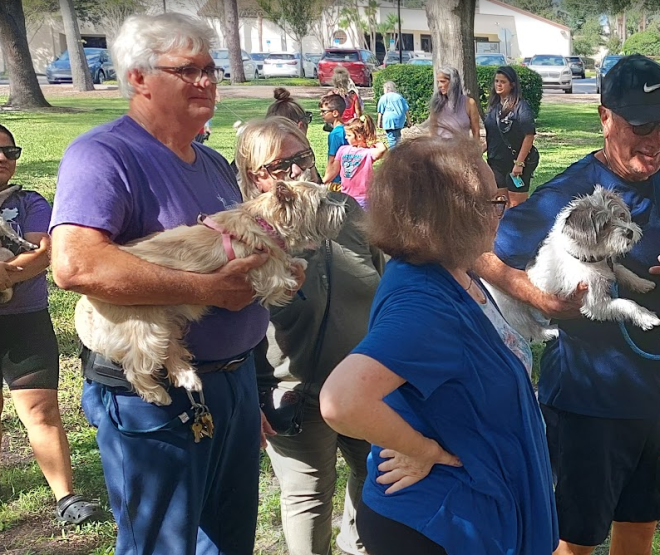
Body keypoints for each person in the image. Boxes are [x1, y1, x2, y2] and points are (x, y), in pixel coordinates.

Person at [48, 13, 292, 554]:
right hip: (153, 393)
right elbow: (76, 267)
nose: (206, 82)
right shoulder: (104, 155)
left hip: (229, 384)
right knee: (164, 545)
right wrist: (205, 291)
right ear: (138, 78)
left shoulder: (211, 162)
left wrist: (246, 390)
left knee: (227, 542)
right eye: (188, 70)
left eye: (211, 69)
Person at [475, 54, 660, 555]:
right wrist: (542, 299)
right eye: (642, 126)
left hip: (654, 396)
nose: (657, 141)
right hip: (587, 405)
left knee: (640, 528)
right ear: (605, 118)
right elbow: (481, 254)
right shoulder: (569, 194)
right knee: (573, 542)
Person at [319, 135, 557, 555]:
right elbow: (342, 400)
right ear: (452, 215)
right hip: (437, 526)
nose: (501, 212)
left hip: (468, 513)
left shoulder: (450, 269)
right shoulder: (425, 304)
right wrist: (422, 449)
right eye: (494, 201)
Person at [235, 117, 382, 555]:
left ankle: (357, 546)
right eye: (281, 166)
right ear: (255, 177)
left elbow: (386, 285)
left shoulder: (346, 211)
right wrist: (250, 395)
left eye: (302, 157)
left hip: (365, 386)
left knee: (376, 477)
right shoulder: (245, 236)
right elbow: (226, 327)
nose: (298, 170)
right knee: (308, 495)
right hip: (294, 394)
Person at [0, 124, 103, 526]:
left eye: (11, 151)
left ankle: (66, 498)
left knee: (41, 411)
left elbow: (43, 254)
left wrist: (3, 275)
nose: (4, 158)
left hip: (26, 321)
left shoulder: (30, 201)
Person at [484, 66, 539, 208]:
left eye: (503, 82)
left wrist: (519, 163)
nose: (498, 85)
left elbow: (529, 136)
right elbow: (492, 135)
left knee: (516, 205)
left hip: (516, 161)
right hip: (496, 161)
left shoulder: (521, 107)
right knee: (499, 203)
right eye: (496, 81)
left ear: (512, 84)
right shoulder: (493, 107)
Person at [332, 115, 388, 208]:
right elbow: (334, 169)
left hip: (363, 197)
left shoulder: (368, 153)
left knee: (362, 217)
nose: (346, 137)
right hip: (345, 195)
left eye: (349, 135)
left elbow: (382, 149)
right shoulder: (342, 149)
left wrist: (373, 140)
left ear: (359, 136)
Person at [427, 67, 481, 140]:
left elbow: (476, 132)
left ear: (453, 82)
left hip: (462, 146)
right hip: (441, 146)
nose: (439, 85)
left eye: (442, 81)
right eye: (438, 82)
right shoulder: (436, 104)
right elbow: (432, 133)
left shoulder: (469, 103)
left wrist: (475, 146)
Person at [321, 92, 349, 185]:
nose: (321, 114)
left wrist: (324, 181)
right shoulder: (347, 129)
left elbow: (332, 161)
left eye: (324, 111)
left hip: (338, 181)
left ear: (335, 113)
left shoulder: (335, 134)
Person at [376, 81, 409, 148]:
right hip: (399, 120)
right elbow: (406, 110)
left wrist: (379, 123)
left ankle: (393, 152)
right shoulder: (399, 97)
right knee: (397, 136)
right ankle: (398, 150)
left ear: (386, 89)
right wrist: (409, 121)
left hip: (389, 120)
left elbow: (380, 112)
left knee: (391, 139)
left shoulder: (383, 98)